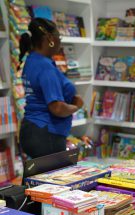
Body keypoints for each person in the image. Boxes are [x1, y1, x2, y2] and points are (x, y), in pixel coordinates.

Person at [18, 18, 84, 158]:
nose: (60, 42)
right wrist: (76, 106)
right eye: (59, 37)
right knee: (50, 179)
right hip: (47, 133)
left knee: (35, 178)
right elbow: (57, 108)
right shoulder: (45, 67)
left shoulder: (31, 60)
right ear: (50, 38)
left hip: (31, 129)